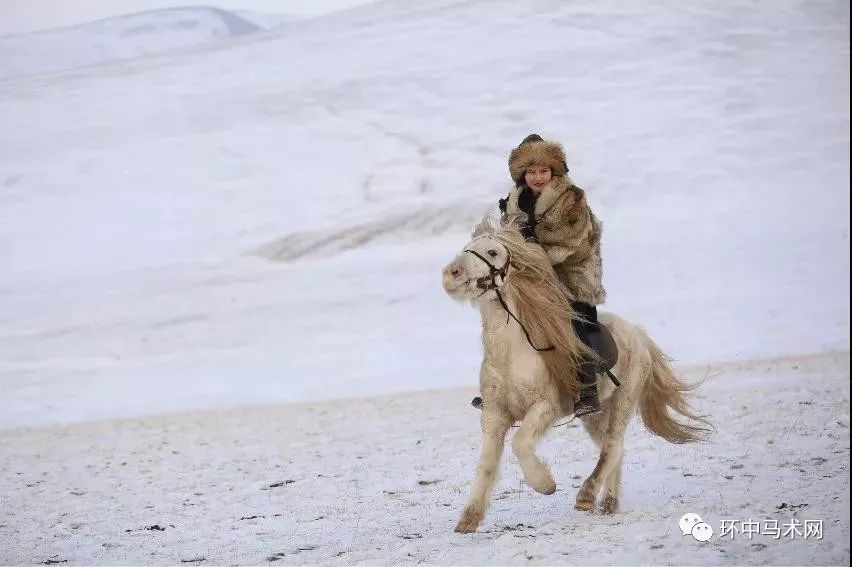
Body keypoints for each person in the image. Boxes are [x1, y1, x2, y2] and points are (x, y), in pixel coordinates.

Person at [497, 134, 607, 416]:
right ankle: (501, 389)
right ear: (521, 173)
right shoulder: (514, 202)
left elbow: (573, 242)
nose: (537, 177)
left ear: (554, 171)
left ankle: (587, 391)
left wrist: (531, 245)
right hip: (534, 275)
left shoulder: (572, 199)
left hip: (572, 273)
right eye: (530, 171)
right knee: (505, 320)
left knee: (577, 322)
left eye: (543, 170)